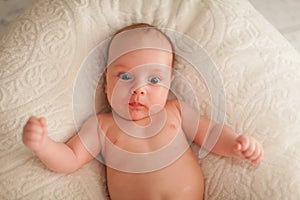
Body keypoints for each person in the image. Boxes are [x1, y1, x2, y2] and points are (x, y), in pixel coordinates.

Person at [22, 23, 264, 200]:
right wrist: (43, 145)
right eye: (125, 76)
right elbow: (70, 158)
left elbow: (211, 134)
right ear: (106, 82)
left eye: (154, 79)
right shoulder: (101, 126)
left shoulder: (176, 112)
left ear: (170, 84)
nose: (138, 89)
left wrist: (235, 144)